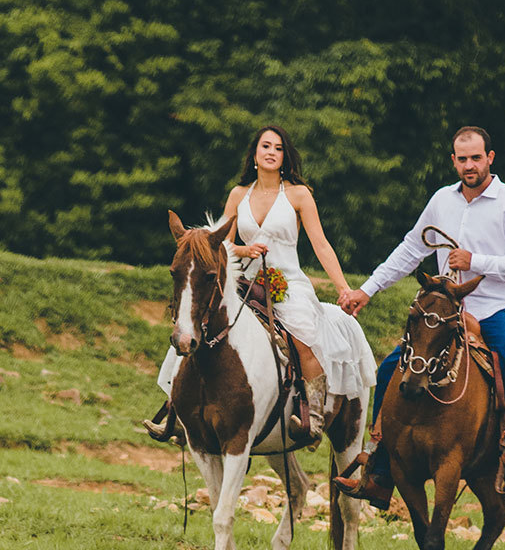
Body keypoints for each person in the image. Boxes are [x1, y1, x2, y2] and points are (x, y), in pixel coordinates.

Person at [338, 126, 505, 507]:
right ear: (453, 161)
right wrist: (366, 289)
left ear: (490, 158)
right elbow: (410, 249)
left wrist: (476, 261)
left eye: (476, 158)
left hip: (498, 307)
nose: (469, 165)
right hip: (447, 310)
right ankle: (380, 466)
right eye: (462, 159)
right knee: (389, 370)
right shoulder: (441, 201)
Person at [148, 125, 375, 444]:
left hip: (287, 280)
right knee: (197, 323)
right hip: (242, 278)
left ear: (285, 157)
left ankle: (313, 413)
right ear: (254, 154)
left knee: (302, 335)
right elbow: (221, 244)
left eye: (278, 148)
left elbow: (321, 244)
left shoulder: (298, 194)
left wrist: (342, 288)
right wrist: (244, 249)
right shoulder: (238, 194)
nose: (271, 152)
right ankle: (176, 410)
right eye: (265, 146)